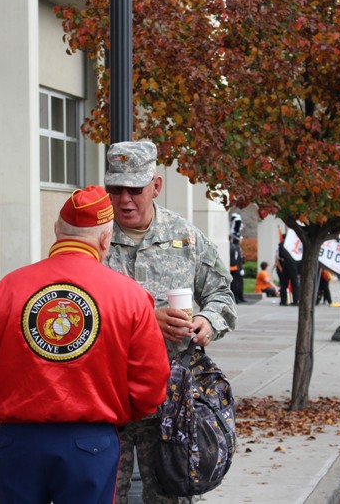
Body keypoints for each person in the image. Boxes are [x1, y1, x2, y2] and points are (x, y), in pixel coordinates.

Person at [0, 186, 170, 503]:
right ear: (105, 239)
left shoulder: (8, 288)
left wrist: (11, 394)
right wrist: (120, 410)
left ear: (58, 231)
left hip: (19, 439)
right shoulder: (129, 296)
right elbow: (151, 382)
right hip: (92, 441)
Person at [102, 140, 236, 504]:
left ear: (156, 186)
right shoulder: (95, 241)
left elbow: (223, 294)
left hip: (169, 400)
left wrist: (207, 322)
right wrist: (146, 321)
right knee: (105, 495)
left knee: (168, 496)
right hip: (108, 398)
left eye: (134, 189)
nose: (125, 200)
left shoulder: (185, 237)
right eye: (115, 189)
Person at [275, 234, 300, 306]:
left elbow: (280, 256)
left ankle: (283, 301)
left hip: (285, 265)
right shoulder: (294, 244)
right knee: (294, 283)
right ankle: (295, 300)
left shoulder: (281, 245)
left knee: (283, 284)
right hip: (293, 265)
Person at [229, 231, 246, 303]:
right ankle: (237, 298)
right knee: (235, 284)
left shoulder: (234, 247)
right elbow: (237, 259)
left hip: (234, 267)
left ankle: (238, 297)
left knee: (236, 284)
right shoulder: (234, 247)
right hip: (235, 268)